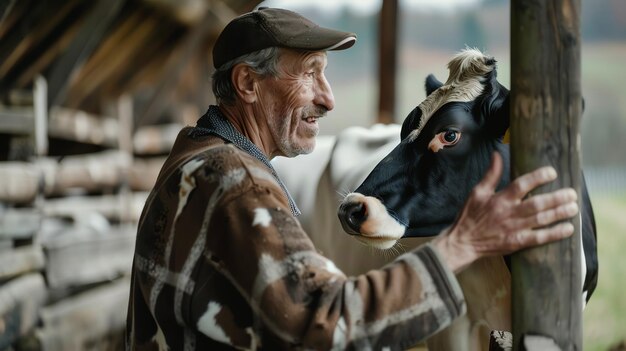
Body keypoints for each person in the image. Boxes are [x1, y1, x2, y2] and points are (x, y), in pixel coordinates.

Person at [126, 7, 579, 350]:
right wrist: (465, 243)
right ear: (247, 84)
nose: (328, 100)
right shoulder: (234, 183)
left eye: (326, 74)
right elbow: (326, 319)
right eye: (310, 74)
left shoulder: (197, 157)